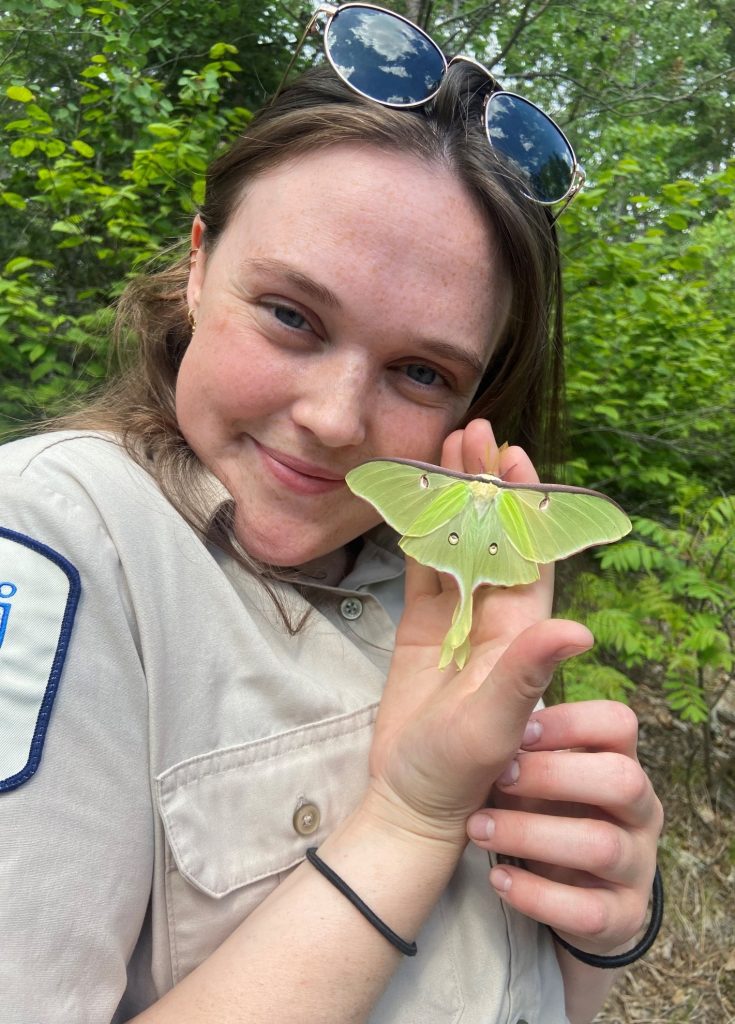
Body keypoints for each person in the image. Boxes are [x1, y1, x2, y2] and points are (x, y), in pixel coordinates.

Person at [0, 7, 662, 1023]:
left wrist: (602, 921)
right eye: (292, 315)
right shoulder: (58, 536)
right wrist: (404, 822)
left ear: (475, 394)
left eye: (420, 370)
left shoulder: (436, 584)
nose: (333, 419)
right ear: (198, 264)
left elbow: (531, 987)